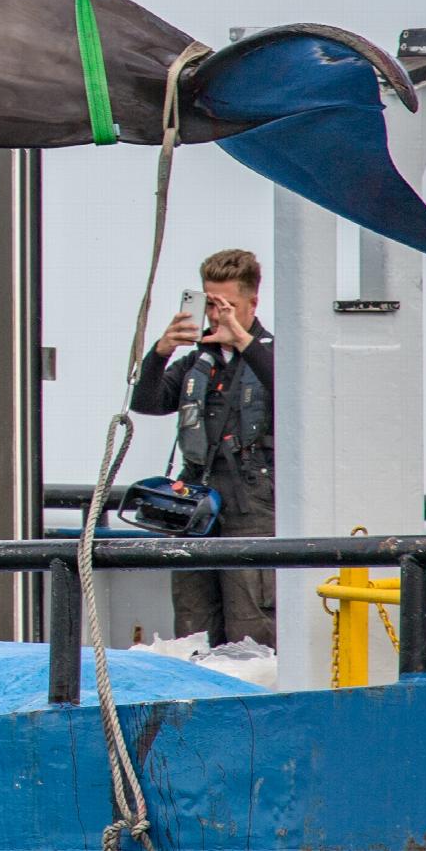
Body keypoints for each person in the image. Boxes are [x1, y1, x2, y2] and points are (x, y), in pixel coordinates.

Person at [128, 246, 277, 646]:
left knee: (252, 625)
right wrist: (160, 352)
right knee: (194, 623)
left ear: (252, 303)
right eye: (210, 305)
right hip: (197, 502)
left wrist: (242, 340)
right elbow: (146, 401)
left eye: (226, 307)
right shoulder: (197, 363)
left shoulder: (274, 355)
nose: (216, 316)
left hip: (254, 503)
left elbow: (292, 394)